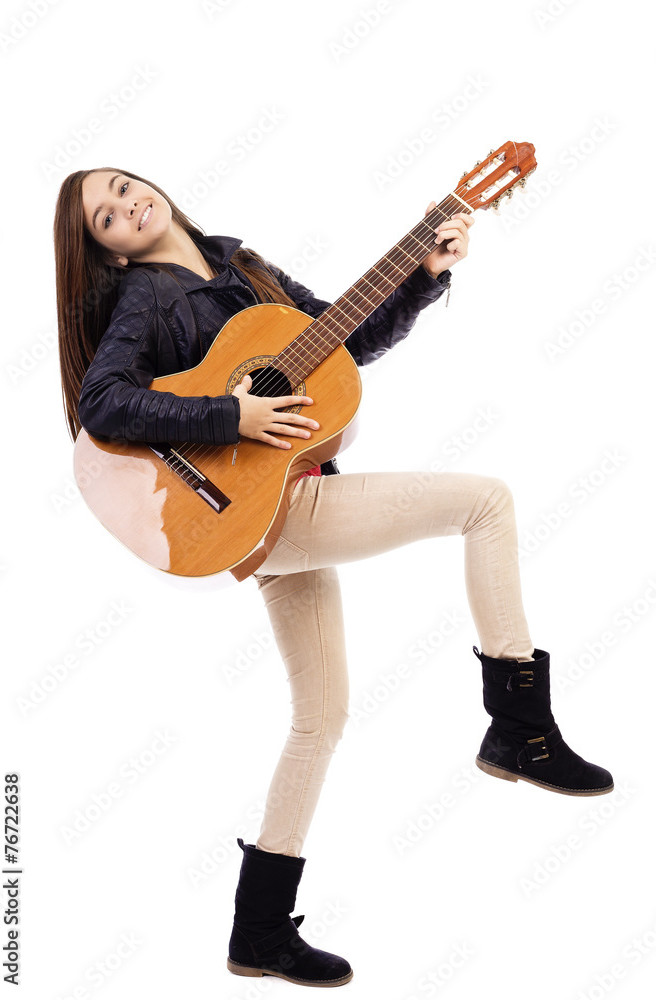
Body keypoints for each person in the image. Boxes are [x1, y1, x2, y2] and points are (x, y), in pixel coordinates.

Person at [54, 166, 613, 989]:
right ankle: (518, 728)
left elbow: (342, 346)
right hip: (264, 509)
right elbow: (104, 404)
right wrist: (231, 414)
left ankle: (258, 932)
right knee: (485, 504)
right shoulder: (146, 298)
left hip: (275, 499)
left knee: (319, 717)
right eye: (106, 217)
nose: (128, 206)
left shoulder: (239, 264)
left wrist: (424, 276)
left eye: (124, 187)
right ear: (103, 249)